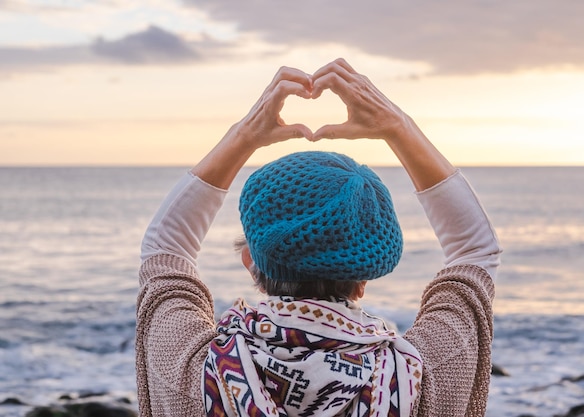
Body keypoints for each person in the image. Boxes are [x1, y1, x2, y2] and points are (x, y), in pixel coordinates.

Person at [136, 58, 502, 417]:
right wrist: (397, 127)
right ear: (361, 280)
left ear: (251, 263)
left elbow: (166, 249)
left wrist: (244, 135)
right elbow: (474, 251)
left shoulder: (196, 371)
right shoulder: (421, 378)